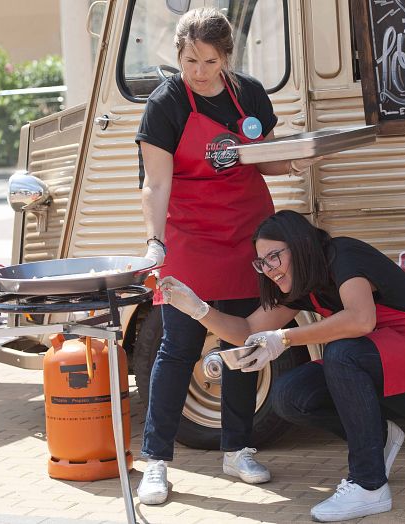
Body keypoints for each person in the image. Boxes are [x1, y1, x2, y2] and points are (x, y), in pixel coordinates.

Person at [159, 210, 405, 522]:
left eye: (274, 256)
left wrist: (284, 338)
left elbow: (360, 319)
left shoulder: (344, 255)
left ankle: (370, 485)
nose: (269, 270)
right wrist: (198, 309)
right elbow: (247, 331)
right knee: (289, 396)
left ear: (300, 245)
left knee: (342, 353)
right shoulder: (302, 288)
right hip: (387, 363)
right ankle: (379, 438)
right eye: (262, 262)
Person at [135, 7, 319, 505]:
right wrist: (156, 242)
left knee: (243, 345)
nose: (197, 70)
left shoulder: (250, 94)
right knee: (178, 348)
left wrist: (297, 159)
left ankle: (237, 449)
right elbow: (156, 183)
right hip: (189, 238)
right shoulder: (165, 103)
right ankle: (156, 461)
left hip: (247, 233)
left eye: (208, 60)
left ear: (226, 58)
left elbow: (267, 160)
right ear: (178, 55)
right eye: (189, 59)